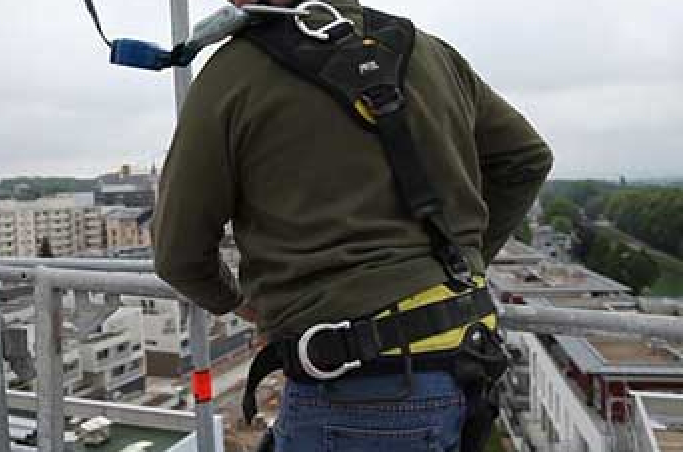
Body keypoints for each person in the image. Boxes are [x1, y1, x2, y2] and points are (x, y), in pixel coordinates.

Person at [152, 0, 553, 450]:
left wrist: (246, 305)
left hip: (357, 387)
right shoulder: (428, 52)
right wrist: (459, 261)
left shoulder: (235, 72)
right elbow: (526, 158)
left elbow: (179, 254)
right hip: (466, 360)